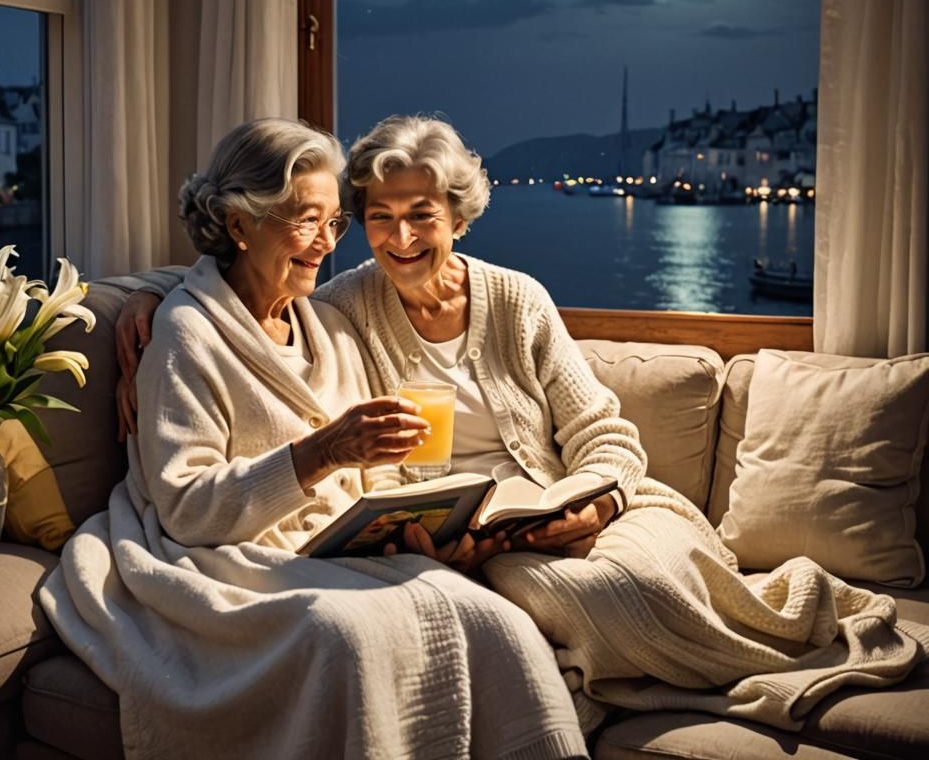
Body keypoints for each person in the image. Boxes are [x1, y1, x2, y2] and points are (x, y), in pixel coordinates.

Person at [115, 114, 929, 735]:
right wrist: (142, 300)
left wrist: (593, 502)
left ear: (457, 215)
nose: (397, 238)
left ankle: (773, 633)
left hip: (563, 501)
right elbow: (239, 289)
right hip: (466, 534)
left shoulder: (515, 300)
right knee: (603, 595)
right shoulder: (340, 309)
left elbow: (605, 435)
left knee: (659, 559)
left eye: (422, 214)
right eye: (376, 217)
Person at [41, 118, 591, 760]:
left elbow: (376, 479)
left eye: (334, 224)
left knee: (499, 622)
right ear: (240, 224)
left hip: (335, 547)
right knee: (346, 636)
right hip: (228, 559)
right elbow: (188, 511)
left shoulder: (328, 323)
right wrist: (321, 452)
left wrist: (410, 533)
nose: (325, 245)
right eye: (306, 221)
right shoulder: (184, 336)